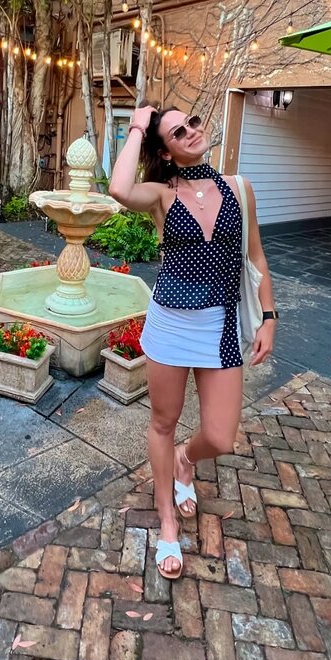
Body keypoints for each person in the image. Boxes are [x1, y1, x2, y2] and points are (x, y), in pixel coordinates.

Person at [109, 105, 277, 580]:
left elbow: (256, 257)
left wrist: (268, 316)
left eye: (193, 123)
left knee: (220, 437)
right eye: (178, 132)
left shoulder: (239, 189)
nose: (191, 133)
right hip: (170, 326)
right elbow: (119, 189)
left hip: (220, 326)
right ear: (166, 151)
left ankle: (186, 459)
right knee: (162, 423)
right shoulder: (162, 195)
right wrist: (138, 125)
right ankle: (166, 521)